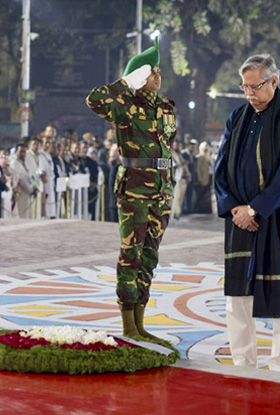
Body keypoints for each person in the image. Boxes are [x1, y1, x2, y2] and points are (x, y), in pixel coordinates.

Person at [214, 54, 280, 372]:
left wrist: (256, 208)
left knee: (278, 295)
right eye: (245, 87)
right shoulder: (237, 117)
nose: (250, 93)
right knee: (237, 295)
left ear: (274, 81)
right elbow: (220, 169)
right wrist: (235, 208)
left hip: (274, 218)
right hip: (239, 220)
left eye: (255, 86)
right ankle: (243, 361)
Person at [86, 37, 176, 340]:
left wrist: (168, 185)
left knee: (149, 257)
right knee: (131, 256)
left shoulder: (166, 107)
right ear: (139, 76)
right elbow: (95, 99)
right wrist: (125, 83)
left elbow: (165, 148)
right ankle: (128, 327)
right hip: (135, 189)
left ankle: (140, 325)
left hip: (162, 190)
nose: (157, 76)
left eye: (159, 71)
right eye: (151, 72)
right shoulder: (125, 106)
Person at [195, 141, 213, 214]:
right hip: (203, 178)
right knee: (201, 195)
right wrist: (199, 178)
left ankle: (207, 209)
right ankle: (200, 209)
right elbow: (198, 169)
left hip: (210, 177)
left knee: (208, 195)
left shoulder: (210, 158)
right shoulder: (199, 157)